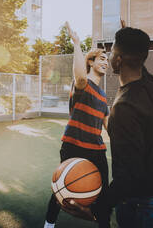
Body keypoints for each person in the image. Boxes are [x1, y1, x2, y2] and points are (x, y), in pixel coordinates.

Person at [68, 25, 153, 228]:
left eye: (113, 51)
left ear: (118, 60)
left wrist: (96, 210)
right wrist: (128, 37)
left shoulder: (124, 108)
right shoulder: (150, 83)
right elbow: (139, 57)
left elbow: (128, 177)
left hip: (141, 197)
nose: (109, 55)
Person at [43, 22, 111, 228]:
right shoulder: (82, 84)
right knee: (62, 189)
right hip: (73, 146)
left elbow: (110, 128)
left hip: (97, 151)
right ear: (90, 62)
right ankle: (49, 224)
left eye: (107, 59)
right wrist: (77, 43)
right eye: (101, 58)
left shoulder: (104, 96)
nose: (106, 62)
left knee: (104, 196)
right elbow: (80, 75)